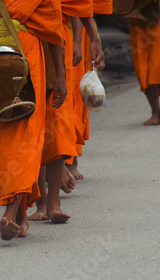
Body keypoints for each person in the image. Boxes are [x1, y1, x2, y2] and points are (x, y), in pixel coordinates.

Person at [0, 0, 66, 240]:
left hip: (27, 55)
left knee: (24, 135)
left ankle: (10, 211)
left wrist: (60, 73)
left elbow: (52, 27)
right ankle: (21, 215)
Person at [29, 0, 104, 223]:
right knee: (32, 124)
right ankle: (40, 201)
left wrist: (92, 39)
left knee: (57, 119)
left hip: (56, 40)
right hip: (21, 43)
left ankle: (53, 202)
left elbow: (77, 5)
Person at [64, 0, 108, 181]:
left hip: (68, 32)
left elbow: (75, 5)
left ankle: (69, 160)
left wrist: (78, 39)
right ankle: (48, 163)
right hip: (32, 33)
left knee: (70, 99)